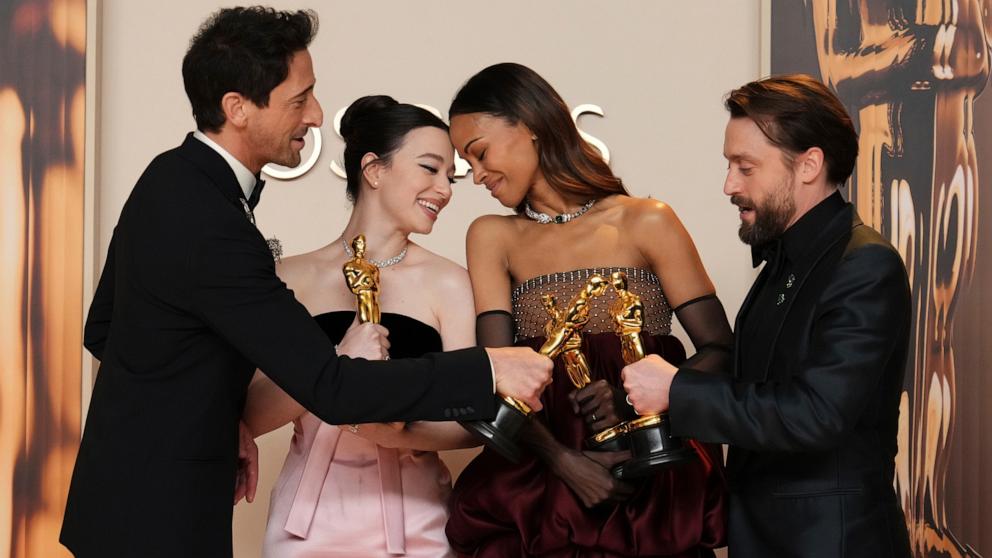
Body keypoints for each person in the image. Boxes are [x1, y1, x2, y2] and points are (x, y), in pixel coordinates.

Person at [59, 10, 551, 558]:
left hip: (125, 507)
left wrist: (223, 423)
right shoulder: (213, 220)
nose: (316, 115)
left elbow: (103, 330)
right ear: (237, 109)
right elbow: (334, 388)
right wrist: (489, 368)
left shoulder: (169, 178)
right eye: (300, 99)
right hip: (159, 519)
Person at [445, 62, 731, 558]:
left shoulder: (647, 220)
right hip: (540, 486)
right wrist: (563, 461)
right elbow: (497, 377)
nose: (477, 175)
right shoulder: (492, 236)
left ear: (530, 124)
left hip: (650, 479)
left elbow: (721, 350)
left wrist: (639, 402)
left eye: (479, 153)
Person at [620, 74, 912, 557]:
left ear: (809, 165)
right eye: (729, 164)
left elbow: (817, 414)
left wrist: (676, 390)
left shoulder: (865, 265)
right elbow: (752, 391)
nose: (729, 184)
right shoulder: (781, 264)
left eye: (746, 167)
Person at [243, 95, 478, 557]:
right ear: (374, 169)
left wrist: (394, 433)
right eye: (430, 169)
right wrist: (337, 369)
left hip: (417, 518)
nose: (445, 189)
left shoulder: (450, 282)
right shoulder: (288, 277)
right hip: (305, 524)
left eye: (450, 177)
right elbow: (248, 415)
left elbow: (471, 421)